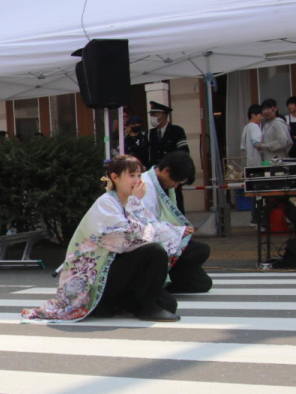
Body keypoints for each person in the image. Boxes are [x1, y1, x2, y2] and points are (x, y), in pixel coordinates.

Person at [24, 155, 184, 324]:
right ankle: (142, 308)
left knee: (169, 303)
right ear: (115, 177)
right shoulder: (106, 203)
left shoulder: (131, 201)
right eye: (132, 175)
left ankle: (124, 303)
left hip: (118, 268)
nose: (137, 180)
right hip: (98, 275)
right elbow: (126, 239)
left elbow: (150, 228)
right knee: (154, 251)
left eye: (139, 175)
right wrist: (137, 204)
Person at [141, 152, 212, 294]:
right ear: (166, 170)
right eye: (176, 181)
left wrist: (178, 232)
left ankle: (167, 278)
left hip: (164, 239)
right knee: (201, 250)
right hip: (150, 245)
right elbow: (143, 225)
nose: (175, 185)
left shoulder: (161, 185)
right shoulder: (145, 186)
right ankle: (159, 280)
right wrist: (177, 232)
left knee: (203, 283)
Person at [147, 100, 189, 211]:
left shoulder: (177, 131)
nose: (152, 117)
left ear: (164, 115)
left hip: (172, 175)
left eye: (155, 114)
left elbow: (184, 153)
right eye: (151, 114)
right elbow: (149, 155)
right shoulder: (150, 133)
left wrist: (181, 175)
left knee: (175, 205)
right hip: (156, 177)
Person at [258, 98, 293, 162]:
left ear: (275, 108)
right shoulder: (266, 125)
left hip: (278, 162)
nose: (265, 111)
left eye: (268, 108)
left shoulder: (278, 123)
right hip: (268, 161)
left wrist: (263, 146)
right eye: (263, 109)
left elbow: (282, 142)